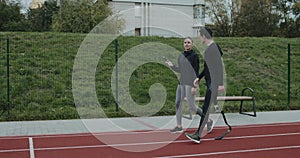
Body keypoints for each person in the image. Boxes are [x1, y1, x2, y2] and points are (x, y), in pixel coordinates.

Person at [185, 27, 224, 143]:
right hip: (210, 82)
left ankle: (198, 134)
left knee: (206, 108)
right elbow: (208, 68)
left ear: (204, 36)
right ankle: (198, 133)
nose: (199, 38)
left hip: (214, 83)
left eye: (200, 36)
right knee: (206, 108)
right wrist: (199, 77)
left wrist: (220, 84)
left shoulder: (213, 48)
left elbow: (219, 66)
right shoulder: (211, 48)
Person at [165, 37, 203, 133]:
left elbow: (196, 72)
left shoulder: (195, 56)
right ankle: (179, 126)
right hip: (181, 83)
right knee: (178, 103)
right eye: (185, 42)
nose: (186, 44)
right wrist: (172, 66)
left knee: (192, 106)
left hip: (190, 84)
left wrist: (195, 86)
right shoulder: (181, 55)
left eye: (188, 42)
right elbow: (180, 70)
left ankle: (207, 119)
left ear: (192, 44)